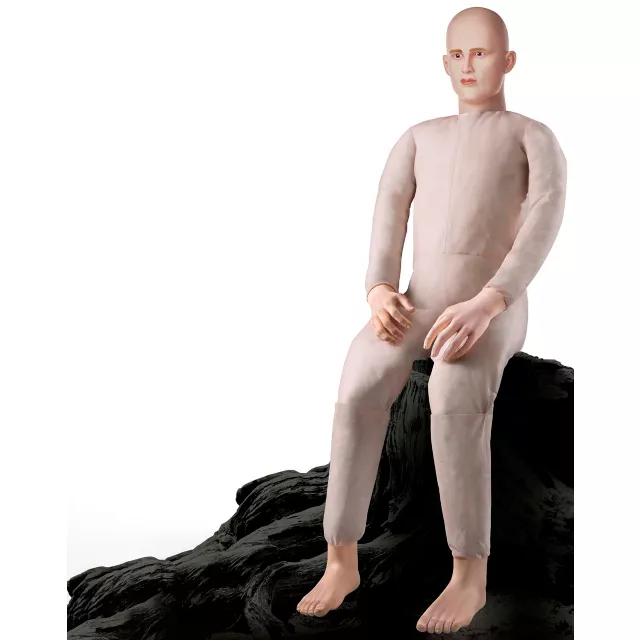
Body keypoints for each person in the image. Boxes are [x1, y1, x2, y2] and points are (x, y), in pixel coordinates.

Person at [296, 6, 567, 634]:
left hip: (492, 305)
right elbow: (388, 212)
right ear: (445, 62)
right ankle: (340, 558)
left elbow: (544, 220)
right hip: (417, 301)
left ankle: (469, 572)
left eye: (482, 52)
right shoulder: (419, 137)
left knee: (453, 389)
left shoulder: (531, 135)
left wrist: (490, 301)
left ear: (508, 60)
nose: (469, 65)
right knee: (358, 382)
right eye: (458, 54)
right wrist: (379, 290)